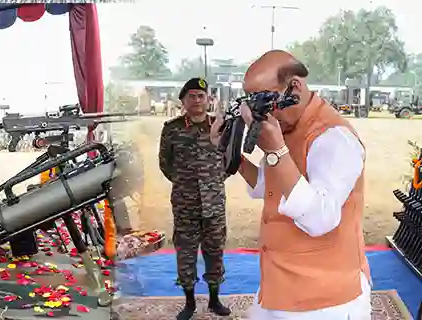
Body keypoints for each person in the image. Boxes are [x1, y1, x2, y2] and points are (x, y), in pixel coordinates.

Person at [210, 50, 371, 319]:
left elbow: (320, 218)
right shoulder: (286, 130)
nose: (261, 115)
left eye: (265, 101)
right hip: (278, 285)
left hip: (326, 301)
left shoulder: (335, 138)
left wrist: (276, 151)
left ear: (294, 87)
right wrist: (230, 154)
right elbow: (268, 185)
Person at [158, 77, 231, 319]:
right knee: (186, 255)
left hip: (214, 204)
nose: (197, 100)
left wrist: (212, 183)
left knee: (215, 252)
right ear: (183, 101)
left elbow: (230, 163)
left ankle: (214, 300)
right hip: (185, 204)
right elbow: (165, 164)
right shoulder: (172, 129)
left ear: (208, 99)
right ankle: (189, 303)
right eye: (191, 96)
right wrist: (185, 184)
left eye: (201, 95)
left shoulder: (220, 127)